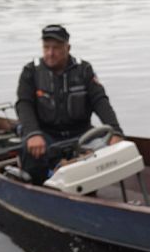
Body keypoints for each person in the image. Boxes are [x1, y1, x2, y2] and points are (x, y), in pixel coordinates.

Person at [15, 24, 124, 183]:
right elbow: (24, 104)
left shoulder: (84, 69)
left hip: (81, 134)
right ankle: (39, 188)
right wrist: (33, 133)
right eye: (46, 47)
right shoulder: (30, 71)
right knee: (29, 150)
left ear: (68, 47)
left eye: (56, 48)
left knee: (112, 147)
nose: (50, 53)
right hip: (46, 134)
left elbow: (100, 101)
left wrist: (115, 131)